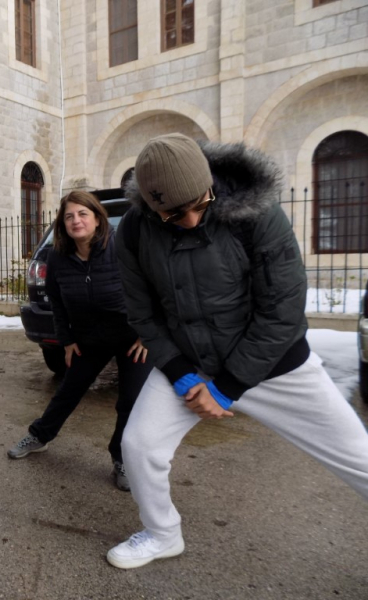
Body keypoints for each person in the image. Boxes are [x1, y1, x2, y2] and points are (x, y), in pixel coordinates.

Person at [106, 133, 368, 569]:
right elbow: (142, 313)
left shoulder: (255, 211)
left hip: (275, 365)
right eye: (173, 214)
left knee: (358, 457)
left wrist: (226, 388)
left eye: (200, 203)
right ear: (151, 206)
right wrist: (181, 374)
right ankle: (162, 534)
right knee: (139, 445)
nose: (191, 220)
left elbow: (283, 310)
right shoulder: (134, 229)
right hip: (191, 363)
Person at [7, 191, 152, 491]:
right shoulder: (57, 257)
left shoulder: (121, 247)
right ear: (63, 223)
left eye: (83, 214)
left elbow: (153, 287)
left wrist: (149, 333)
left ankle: (121, 457)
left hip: (131, 337)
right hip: (90, 337)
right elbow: (57, 302)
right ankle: (40, 436)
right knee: (68, 391)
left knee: (130, 401)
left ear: (97, 219)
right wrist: (67, 340)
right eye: (69, 216)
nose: (76, 221)